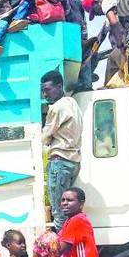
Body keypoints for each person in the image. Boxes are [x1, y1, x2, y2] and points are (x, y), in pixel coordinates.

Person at [41, 70, 82, 230]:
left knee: (59, 212)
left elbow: (45, 137)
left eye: (47, 90)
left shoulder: (56, 108)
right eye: (43, 91)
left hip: (59, 163)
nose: (45, 95)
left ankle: (61, 252)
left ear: (59, 86)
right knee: (69, 212)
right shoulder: (72, 103)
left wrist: (48, 139)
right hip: (73, 162)